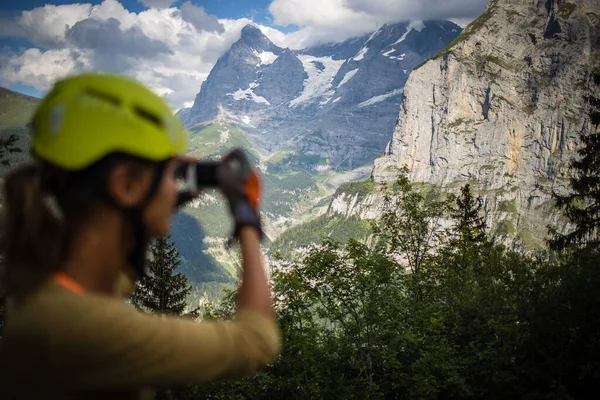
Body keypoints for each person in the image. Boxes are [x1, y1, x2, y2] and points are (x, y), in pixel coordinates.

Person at [0, 73, 281, 399]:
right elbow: (256, 341)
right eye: (168, 173)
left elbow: (117, 277)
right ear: (126, 185)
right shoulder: (79, 330)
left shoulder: (45, 291)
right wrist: (245, 216)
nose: (173, 185)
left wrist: (151, 204)